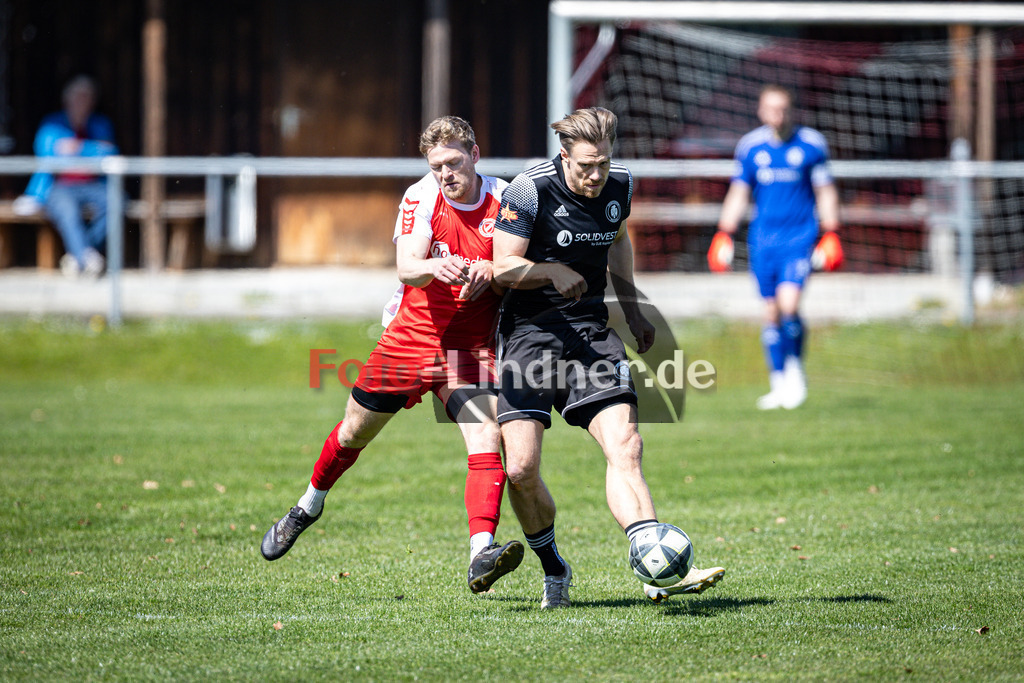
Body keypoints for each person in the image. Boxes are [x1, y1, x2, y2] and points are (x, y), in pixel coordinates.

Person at [261, 116, 524, 593]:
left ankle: (480, 551)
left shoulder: (508, 197)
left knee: (488, 437)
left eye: (453, 162)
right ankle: (308, 505)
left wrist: (493, 270)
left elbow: (513, 263)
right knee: (353, 432)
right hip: (411, 338)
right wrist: (434, 266)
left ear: (475, 155)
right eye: (436, 165)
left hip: (469, 347)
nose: (445, 173)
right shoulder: (420, 196)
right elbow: (406, 268)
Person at [491, 107, 725, 608]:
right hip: (527, 336)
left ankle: (651, 559)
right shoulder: (527, 189)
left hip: (591, 333)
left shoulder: (620, 184)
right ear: (564, 156)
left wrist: (632, 305)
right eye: (584, 166)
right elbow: (501, 268)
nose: (595, 176)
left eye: (602, 163)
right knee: (521, 470)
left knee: (626, 445)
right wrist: (549, 270)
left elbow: (617, 240)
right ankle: (555, 568)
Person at [709, 84, 842, 410]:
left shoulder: (811, 145)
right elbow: (739, 193)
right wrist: (723, 233)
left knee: (789, 304)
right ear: (761, 111)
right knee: (770, 312)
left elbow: (825, 191)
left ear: (792, 110)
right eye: (771, 108)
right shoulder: (751, 147)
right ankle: (778, 382)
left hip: (799, 238)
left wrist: (831, 232)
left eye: (783, 108)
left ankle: (795, 372)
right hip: (763, 241)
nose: (777, 115)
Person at [15, 75, 118, 277]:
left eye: (87, 97)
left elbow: (109, 152)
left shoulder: (100, 124)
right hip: (60, 185)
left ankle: (80, 254)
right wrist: (91, 150)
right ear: (66, 100)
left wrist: (77, 147)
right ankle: (86, 256)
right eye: (78, 96)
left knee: (116, 201)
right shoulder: (52, 123)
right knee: (67, 210)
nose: (82, 101)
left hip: (93, 184)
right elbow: (47, 151)